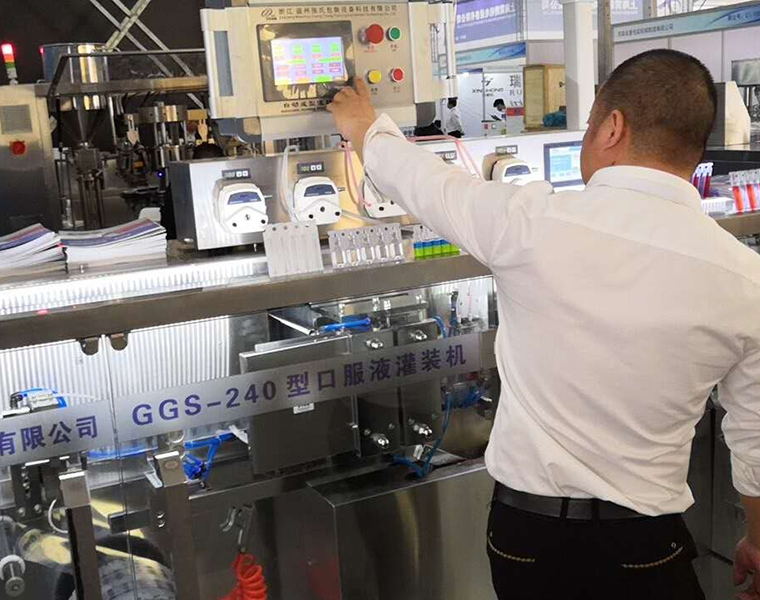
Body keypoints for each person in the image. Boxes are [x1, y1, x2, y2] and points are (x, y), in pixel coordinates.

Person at [328, 49, 760, 600]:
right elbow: (755, 436)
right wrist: (757, 540)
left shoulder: (530, 224)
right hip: (645, 544)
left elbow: (426, 183)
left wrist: (364, 126)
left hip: (526, 538)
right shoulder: (745, 278)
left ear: (612, 127)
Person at [160, 142, 225, 239]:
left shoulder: (226, 186)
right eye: (203, 167)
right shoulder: (179, 186)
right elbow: (169, 223)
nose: (207, 171)